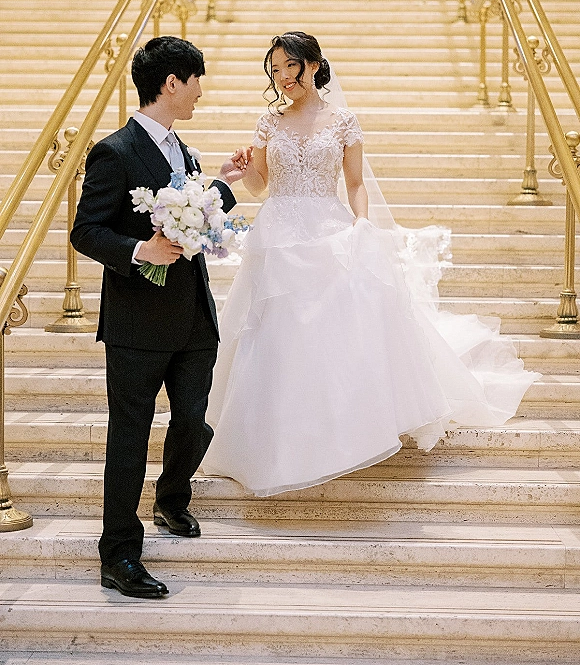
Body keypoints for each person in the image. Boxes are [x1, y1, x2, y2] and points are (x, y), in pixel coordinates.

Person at [202, 31, 540, 497]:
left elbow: (355, 183)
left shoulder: (343, 120)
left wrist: (361, 226)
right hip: (278, 232)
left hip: (329, 227)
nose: (282, 78)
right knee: (276, 332)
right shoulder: (267, 122)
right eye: (275, 70)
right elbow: (260, 185)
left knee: (336, 333)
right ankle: (284, 435)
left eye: (290, 67)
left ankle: (347, 425)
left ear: (315, 66)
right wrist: (241, 174)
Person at [71, 36, 248, 599]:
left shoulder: (183, 149)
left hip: (194, 316)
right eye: (196, 80)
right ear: (171, 82)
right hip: (137, 323)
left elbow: (191, 211)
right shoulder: (115, 152)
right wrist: (138, 251)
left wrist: (221, 182)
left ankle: (172, 500)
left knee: (194, 422)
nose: (200, 91)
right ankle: (119, 553)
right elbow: (85, 231)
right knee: (129, 437)